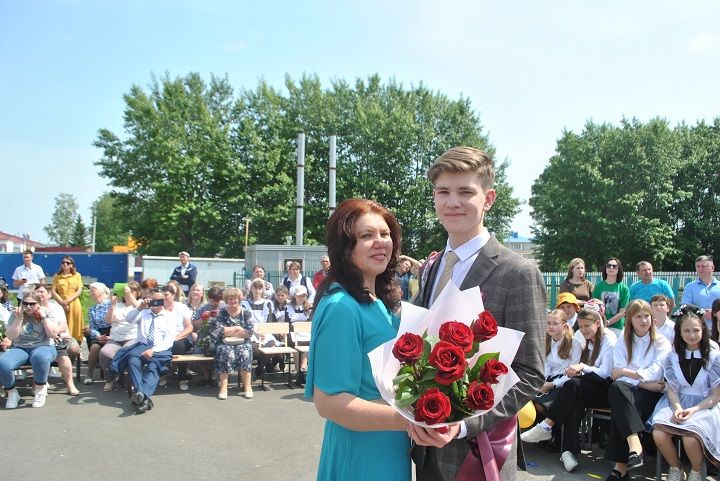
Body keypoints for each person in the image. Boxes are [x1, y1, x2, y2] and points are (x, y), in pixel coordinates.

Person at [408, 147, 547, 481]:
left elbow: (530, 373)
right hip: (424, 450)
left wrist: (462, 425)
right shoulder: (430, 267)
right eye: (443, 192)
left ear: (489, 199)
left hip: (480, 455)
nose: (452, 202)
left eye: (465, 192)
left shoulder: (518, 273)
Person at [305, 198, 417, 480]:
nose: (380, 242)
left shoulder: (376, 301)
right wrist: (412, 420)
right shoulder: (342, 306)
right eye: (367, 236)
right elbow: (330, 402)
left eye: (385, 234)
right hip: (360, 452)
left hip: (388, 444)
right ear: (345, 248)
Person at [521, 307, 616, 472]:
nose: (583, 330)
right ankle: (568, 452)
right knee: (574, 402)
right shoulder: (582, 338)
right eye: (581, 326)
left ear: (597, 323)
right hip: (584, 386)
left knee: (572, 385)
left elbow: (605, 373)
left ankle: (547, 426)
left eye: (587, 326)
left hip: (604, 388)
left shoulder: (608, 340)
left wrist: (582, 366)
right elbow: (549, 365)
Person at [604, 299, 672, 481]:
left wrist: (628, 373)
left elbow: (656, 371)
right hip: (632, 389)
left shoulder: (661, 341)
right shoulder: (623, 341)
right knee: (618, 389)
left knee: (621, 405)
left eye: (647, 316)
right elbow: (616, 373)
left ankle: (621, 468)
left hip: (653, 394)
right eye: (638, 317)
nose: (644, 321)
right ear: (630, 320)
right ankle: (635, 445)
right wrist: (642, 382)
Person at [651, 305, 720, 481]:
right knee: (659, 433)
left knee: (690, 437)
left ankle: (696, 472)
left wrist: (693, 410)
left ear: (703, 330)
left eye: (696, 330)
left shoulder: (714, 355)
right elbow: (672, 390)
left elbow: (715, 396)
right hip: (678, 402)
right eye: (686, 330)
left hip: (705, 405)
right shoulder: (673, 355)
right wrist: (677, 408)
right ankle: (675, 468)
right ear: (679, 332)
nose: (692, 335)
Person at [520, 309, 581, 453]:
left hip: (564, 382)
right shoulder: (546, 340)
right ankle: (549, 435)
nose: (551, 326)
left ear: (565, 326)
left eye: (555, 323)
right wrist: (542, 382)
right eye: (548, 323)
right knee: (531, 400)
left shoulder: (574, 343)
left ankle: (554, 435)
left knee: (543, 404)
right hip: (548, 380)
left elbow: (573, 372)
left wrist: (552, 385)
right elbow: (545, 365)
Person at [107, 287, 175, 414]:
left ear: (163, 300)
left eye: (158, 300)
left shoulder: (169, 317)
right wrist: (140, 307)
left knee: (154, 367)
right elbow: (128, 319)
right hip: (141, 346)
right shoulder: (143, 312)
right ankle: (142, 395)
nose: (154, 302)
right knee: (132, 360)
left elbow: (169, 341)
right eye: (151, 299)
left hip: (159, 349)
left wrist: (153, 351)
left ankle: (141, 396)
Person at [0, 289, 59, 409]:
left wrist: (44, 318)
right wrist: (18, 319)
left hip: (44, 346)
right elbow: (11, 337)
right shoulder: (16, 314)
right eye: (25, 303)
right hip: (20, 347)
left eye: (32, 304)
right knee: (3, 363)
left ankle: (40, 389)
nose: (28, 306)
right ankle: (12, 393)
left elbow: (53, 334)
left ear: (39, 304)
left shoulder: (47, 312)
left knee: (39, 357)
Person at [208, 287, 254, 399]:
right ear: (226, 300)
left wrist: (229, 332)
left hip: (243, 343)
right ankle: (223, 388)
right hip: (224, 343)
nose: (233, 301)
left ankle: (247, 386)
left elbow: (249, 331)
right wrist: (237, 328)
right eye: (230, 298)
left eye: (235, 298)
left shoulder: (246, 313)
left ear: (239, 299)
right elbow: (218, 332)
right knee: (225, 353)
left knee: (244, 353)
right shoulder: (221, 313)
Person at [35, 284, 80, 396]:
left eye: (42, 292)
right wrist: (53, 333)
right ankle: (41, 381)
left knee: (72, 348)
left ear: (49, 294)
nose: (39, 294)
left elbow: (63, 326)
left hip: (61, 337)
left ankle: (69, 383)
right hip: (41, 339)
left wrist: (55, 333)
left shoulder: (56, 307)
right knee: (55, 353)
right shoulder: (34, 308)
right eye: (37, 292)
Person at [100, 282, 141, 392]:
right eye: (127, 291)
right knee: (104, 353)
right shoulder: (118, 305)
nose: (128, 293)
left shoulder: (139, 303)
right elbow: (109, 320)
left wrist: (130, 297)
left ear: (137, 293)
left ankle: (132, 380)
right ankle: (110, 379)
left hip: (132, 338)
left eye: (132, 291)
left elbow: (141, 310)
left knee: (126, 351)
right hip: (115, 339)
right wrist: (112, 304)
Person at [162, 284, 193, 391]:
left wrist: (176, 337)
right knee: (159, 345)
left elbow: (189, 327)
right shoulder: (158, 308)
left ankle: (182, 378)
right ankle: (163, 374)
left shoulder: (182, 307)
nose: (164, 297)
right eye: (162, 295)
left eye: (166, 295)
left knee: (178, 346)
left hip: (181, 337)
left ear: (173, 295)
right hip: (163, 337)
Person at [83, 282, 112, 385]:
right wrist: (98, 336)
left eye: (93, 290)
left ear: (101, 291)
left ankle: (113, 374)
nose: (90, 293)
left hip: (113, 331)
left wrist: (110, 336)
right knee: (95, 347)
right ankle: (89, 374)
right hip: (100, 332)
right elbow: (93, 327)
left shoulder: (111, 304)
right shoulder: (92, 309)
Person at [680, 255, 720, 328]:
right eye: (698, 266)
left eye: (703, 266)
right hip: (698, 329)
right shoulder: (690, 287)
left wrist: (715, 314)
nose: (700, 269)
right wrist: (702, 313)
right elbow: (685, 307)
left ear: (712, 268)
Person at [593, 257, 630, 333]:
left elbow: (622, 312)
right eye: (609, 265)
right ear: (605, 268)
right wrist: (603, 322)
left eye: (614, 266)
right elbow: (594, 307)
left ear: (618, 269)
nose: (611, 268)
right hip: (600, 326)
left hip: (617, 328)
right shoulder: (598, 287)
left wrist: (608, 322)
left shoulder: (624, 288)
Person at [51, 255, 84, 342]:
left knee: (76, 326)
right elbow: (53, 291)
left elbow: (79, 290)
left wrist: (68, 301)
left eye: (68, 263)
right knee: (63, 324)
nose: (65, 264)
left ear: (72, 265)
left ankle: (78, 349)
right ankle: (64, 346)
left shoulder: (77, 275)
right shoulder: (57, 276)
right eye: (63, 263)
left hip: (74, 303)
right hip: (60, 303)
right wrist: (62, 302)